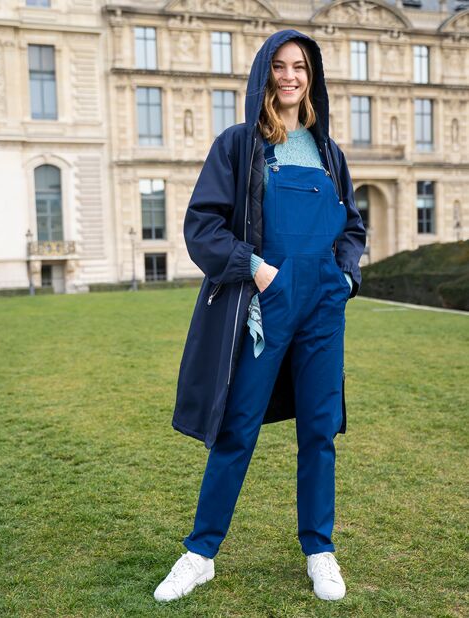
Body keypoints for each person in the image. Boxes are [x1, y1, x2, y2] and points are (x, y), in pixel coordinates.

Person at [154, 29, 366, 603]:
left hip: (323, 303)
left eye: (300, 66)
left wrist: (345, 275)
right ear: (264, 74)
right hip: (265, 303)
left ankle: (319, 549)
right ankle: (200, 553)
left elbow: (352, 227)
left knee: (320, 429)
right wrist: (255, 268)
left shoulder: (329, 152)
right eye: (280, 66)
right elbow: (203, 225)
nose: (291, 76)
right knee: (237, 428)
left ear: (311, 75)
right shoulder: (238, 145)